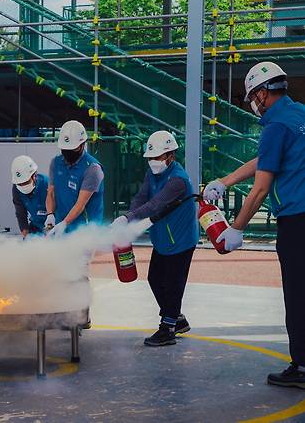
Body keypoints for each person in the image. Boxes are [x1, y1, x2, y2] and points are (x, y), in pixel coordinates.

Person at [203, 61, 305, 388]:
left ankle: (302, 367)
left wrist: (237, 228)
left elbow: (261, 187)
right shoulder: (298, 114)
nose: (254, 104)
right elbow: (267, 158)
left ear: (263, 93)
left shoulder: (275, 126)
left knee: (298, 296)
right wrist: (225, 181)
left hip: (296, 221)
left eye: (253, 98)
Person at [113, 131, 198, 346]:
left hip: (180, 240)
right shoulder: (152, 174)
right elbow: (142, 197)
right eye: (150, 158)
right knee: (154, 279)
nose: (153, 162)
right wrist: (128, 219)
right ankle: (176, 319)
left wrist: (128, 217)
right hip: (162, 238)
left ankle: (167, 328)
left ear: (170, 155)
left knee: (173, 284)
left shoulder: (178, 180)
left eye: (157, 157)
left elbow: (155, 204)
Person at [45, 120, 104, 236]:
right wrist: (50, 215)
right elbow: (51, 193)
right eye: (65, 149)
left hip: (85, 229)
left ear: (82, 144)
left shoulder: (93, 169)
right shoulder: (55, 163)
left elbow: (80, 204)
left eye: (73, 149)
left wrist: (64, 223)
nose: (68, 152)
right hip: (61, 225)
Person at [10, 155, 48, 239]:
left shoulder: (48, 185)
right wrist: (26, 236)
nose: (23, 186)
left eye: (26, 182)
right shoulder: (16, 188)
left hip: (54, 226)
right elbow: (21, 214)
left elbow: (61, 211)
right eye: (20, 184)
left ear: (34, 175)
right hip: (36, 227)